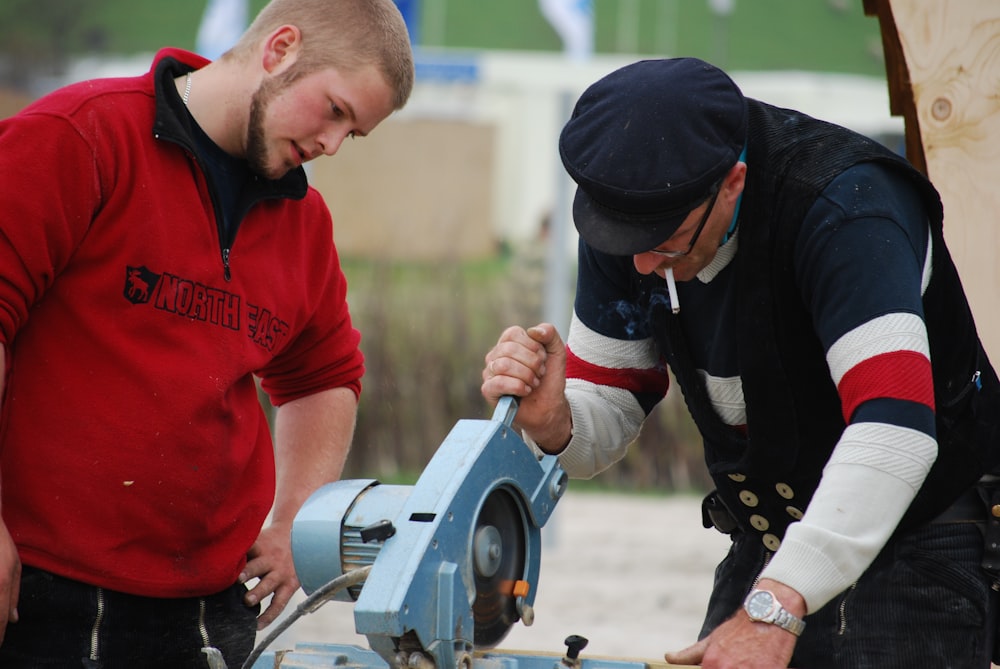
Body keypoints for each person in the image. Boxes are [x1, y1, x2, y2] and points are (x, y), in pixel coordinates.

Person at [481, 57, 1000, 668]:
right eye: (623, 242)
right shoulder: (630, 214)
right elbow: (613, 401)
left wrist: (775, 604)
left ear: (732, 183)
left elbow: (894, 435)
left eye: (663, 244)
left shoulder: (848, 209)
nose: (640, 266)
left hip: (922, 535)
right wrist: (558, 422)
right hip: (773, 536)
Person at [0, 0, 413, 665]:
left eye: (353, 134)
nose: (332, 145)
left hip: (208, 611)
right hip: (36, 591)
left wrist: (293, 524)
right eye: (334, 111)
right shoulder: (78, 138)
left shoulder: (303, 222)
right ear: (279, 49)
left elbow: (325, 378)